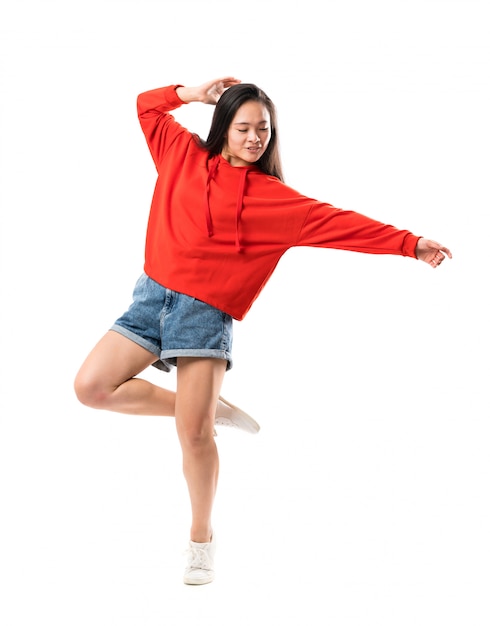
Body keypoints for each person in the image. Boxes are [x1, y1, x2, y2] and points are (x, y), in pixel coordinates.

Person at [74, 76, 452, 585]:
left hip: (204, 315)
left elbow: (346, 225)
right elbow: (145, 107)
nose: (255, 138)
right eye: (244, 127)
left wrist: (412, 243)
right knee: (92, 388)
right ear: (223, 128)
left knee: (194, 435)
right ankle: (210, 408)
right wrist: (191, 93)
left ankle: (200, 541)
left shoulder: (276, 201)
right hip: (150, 299)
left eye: (264, 130)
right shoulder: (182, 155)